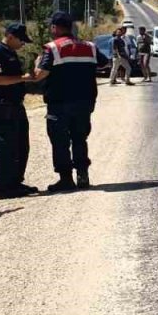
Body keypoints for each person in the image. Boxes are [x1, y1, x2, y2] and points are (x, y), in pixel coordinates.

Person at [31, 12, 110, 192]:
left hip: (59, 103)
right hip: (85, 101)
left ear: (55, 28)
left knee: (60, 141)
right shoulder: (90, 46)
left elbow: (39, 75)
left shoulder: (52, 48)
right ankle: (82, 175)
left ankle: (66, 179)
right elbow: (104, 64)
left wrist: (37, 63)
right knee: (80, 138)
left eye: (52, 26)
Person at [0, 23, 39, 199]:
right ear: (10, 36)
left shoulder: (10, 52)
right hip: (0, 105)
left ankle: (15, 183)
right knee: (5, 146)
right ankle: (4, 188)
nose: (23, 44)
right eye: (21, 40)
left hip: (14, 104)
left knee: (21, 145)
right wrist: (23, 78)